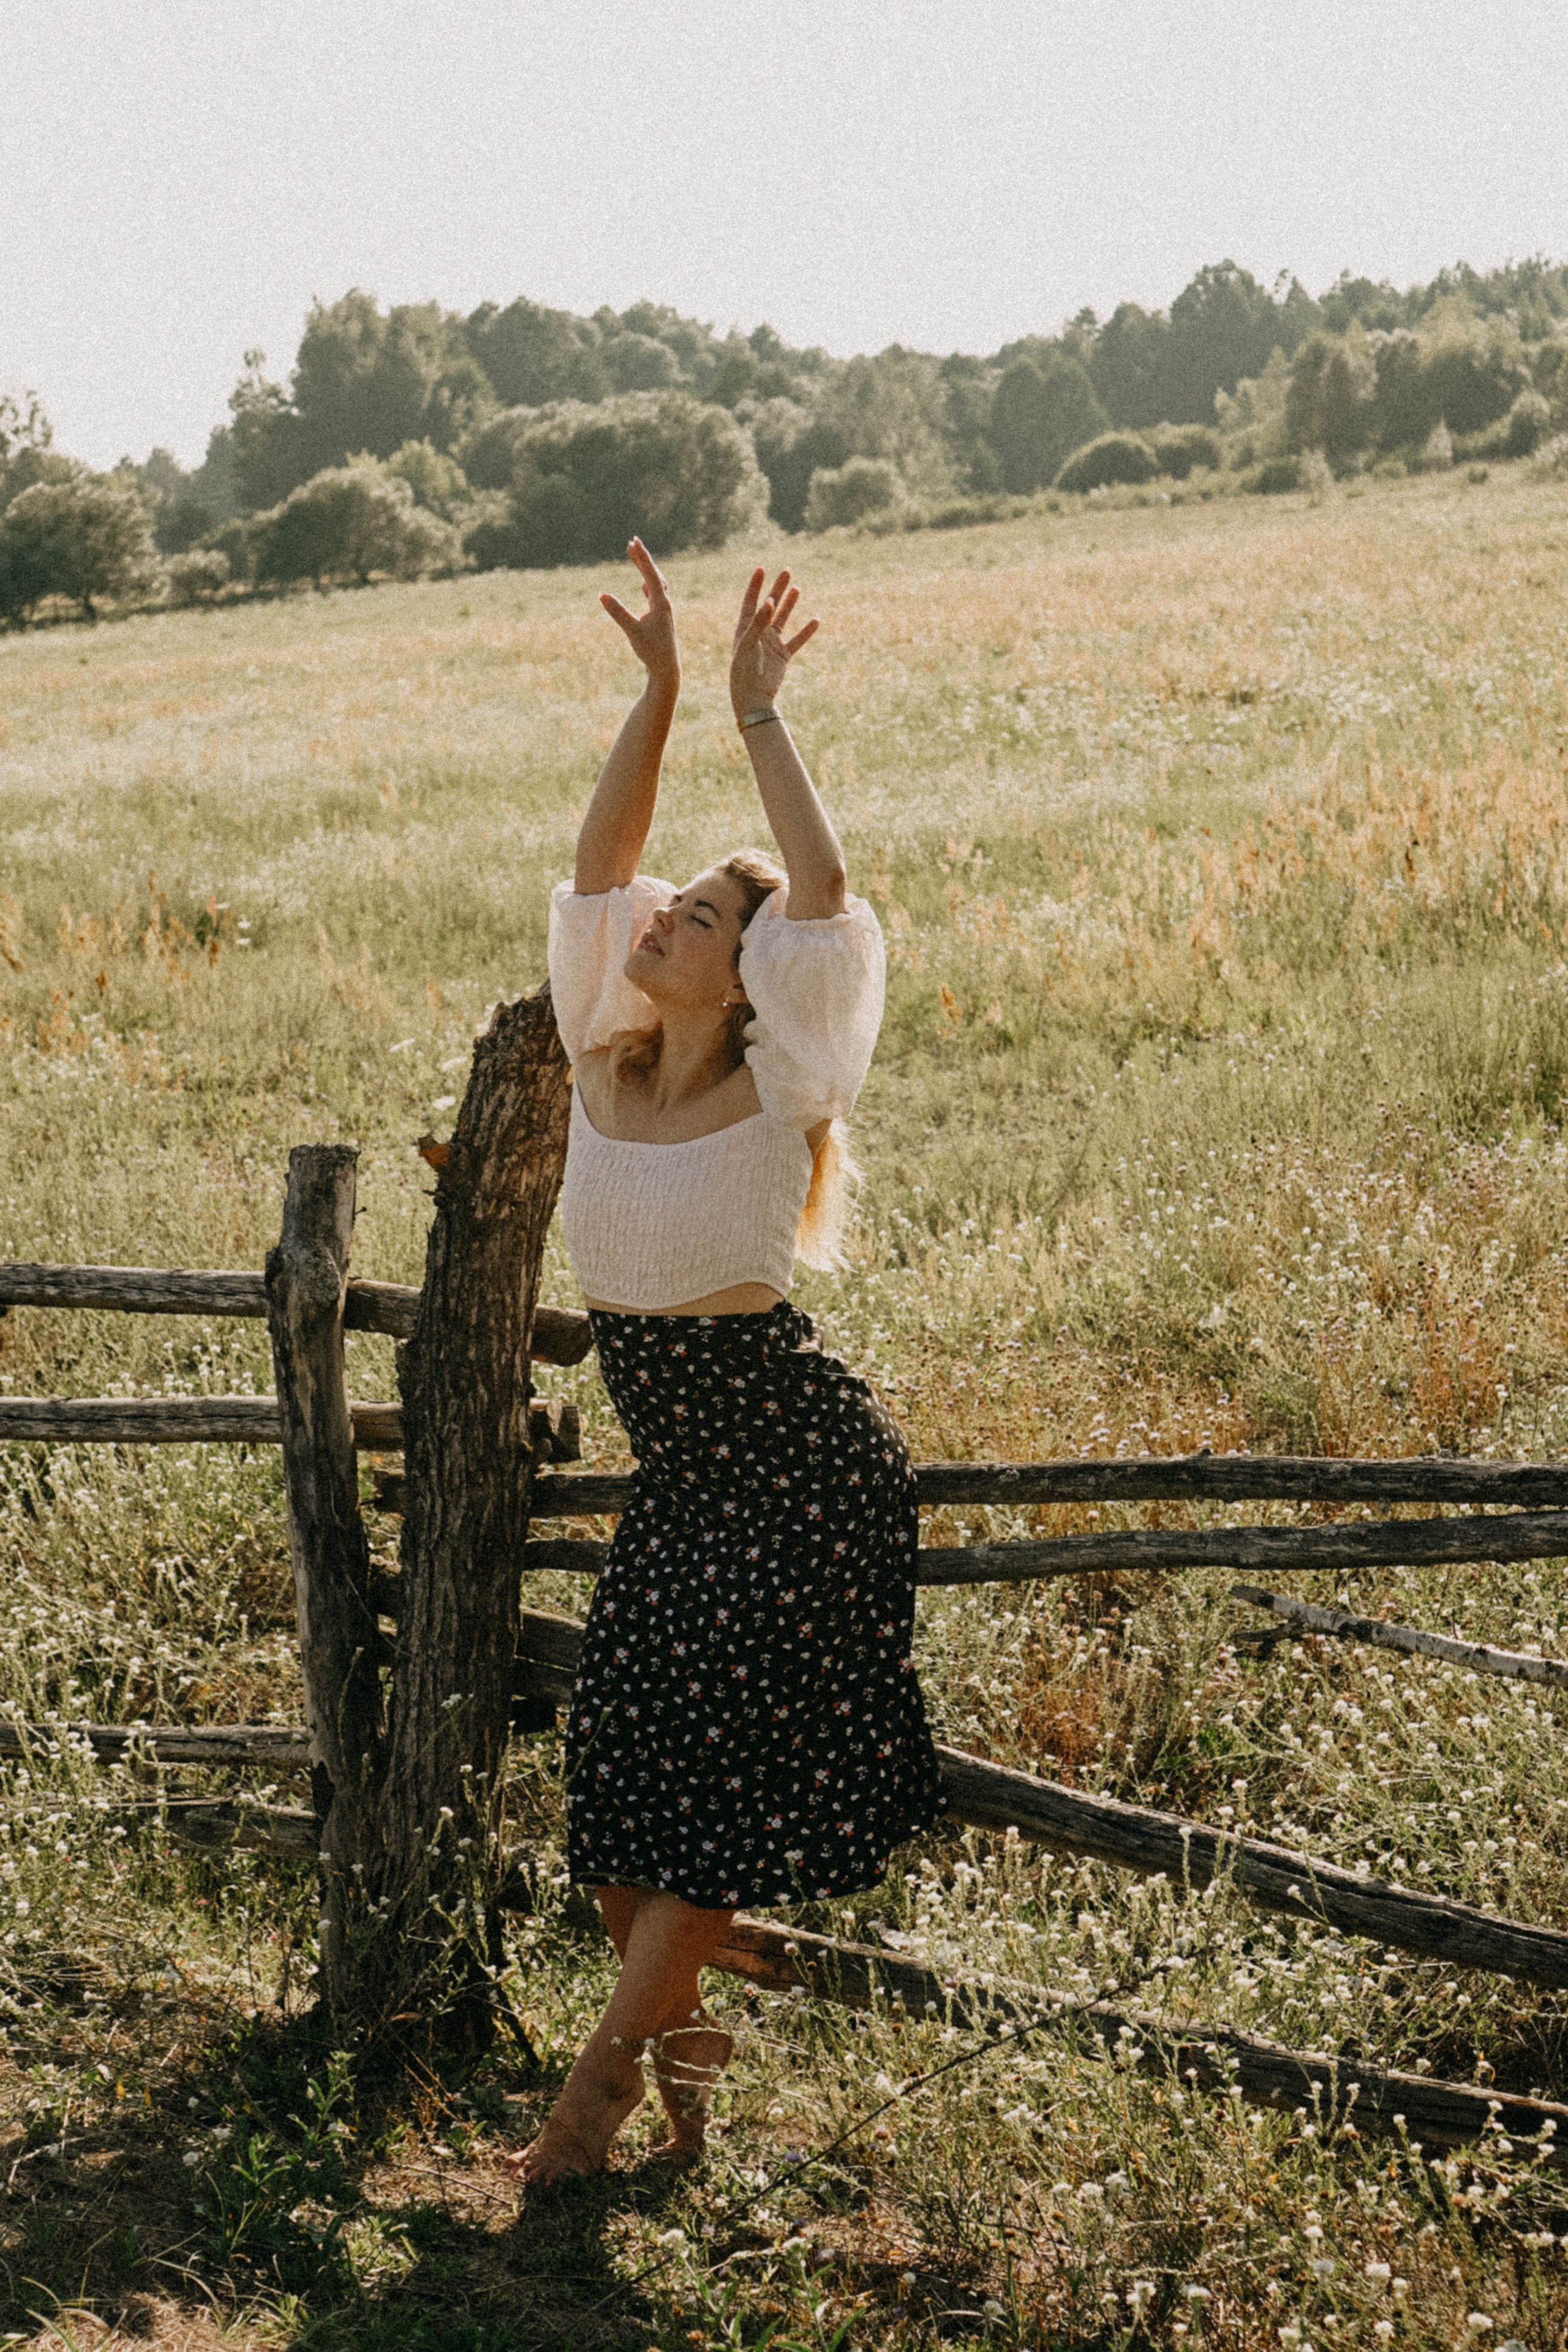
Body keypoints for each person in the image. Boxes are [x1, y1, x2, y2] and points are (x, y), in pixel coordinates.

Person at [509, 538, 941, 2187]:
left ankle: (597, 2099)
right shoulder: (601, 1052)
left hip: (796, 1465)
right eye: (676, 909)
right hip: (690, 1475)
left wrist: (760, 720)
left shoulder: (781, 1088)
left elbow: (820, 906)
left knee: (693, 1817)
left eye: (695, 916)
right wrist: (663, 690)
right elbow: (592, 861)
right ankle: (689, 2104)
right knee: (621, 1804)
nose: (660, 920)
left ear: (748, 978)